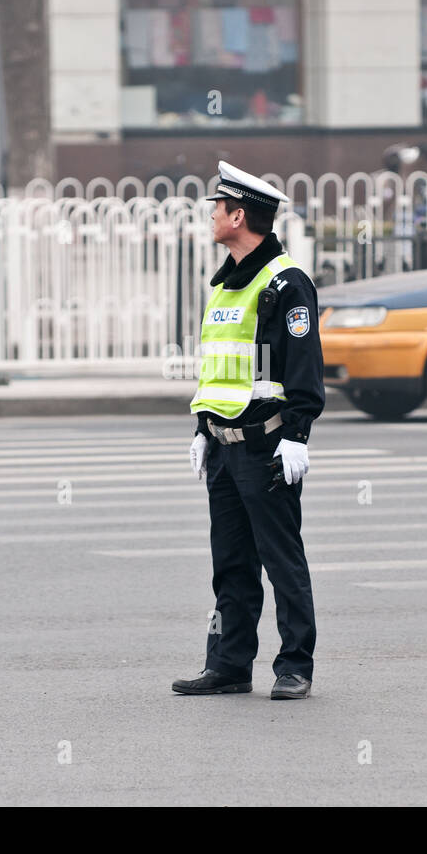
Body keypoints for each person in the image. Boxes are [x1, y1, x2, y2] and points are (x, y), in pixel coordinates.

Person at [173, 161, 325, 701]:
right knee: (231, 566)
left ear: (239, 216)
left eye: (218, 207)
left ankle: (295, 666)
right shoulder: (224, 285)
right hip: (223, 446)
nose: (212, 214)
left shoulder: (285, 284)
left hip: (266, 444)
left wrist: (297, 435)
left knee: (282, 560)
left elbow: (303, 366)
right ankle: (230, 665)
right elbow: (219, 368)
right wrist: (201, 428)